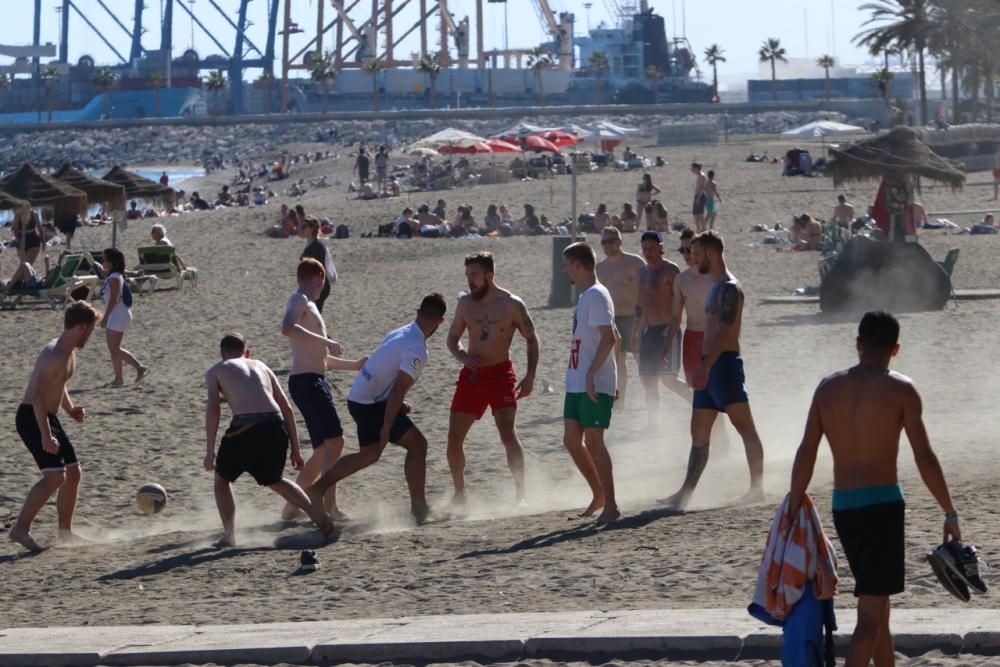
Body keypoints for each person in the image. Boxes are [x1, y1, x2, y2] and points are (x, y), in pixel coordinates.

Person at [788, 311, 962, 667]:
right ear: (895, 350)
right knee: (870, 612)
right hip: (882, 507)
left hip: (844, 508)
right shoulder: (901, 390)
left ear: (858, 344)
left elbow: (806, 451)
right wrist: (949, 511)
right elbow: (924, 457)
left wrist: (793, 506)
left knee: (876, 600)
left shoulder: (827, 389)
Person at [308, 294, 448, 525]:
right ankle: (420, 509)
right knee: (418, 445)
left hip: (358, 397)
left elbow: (383, 368)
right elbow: (399, 388)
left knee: (369, 454)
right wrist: (386, 426)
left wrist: (392, 407)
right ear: (440, 322)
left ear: (417, 312)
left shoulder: (401, 331)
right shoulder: (418, 349)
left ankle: (317, 489)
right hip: (369, 404)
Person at [660, 231, 764, 509]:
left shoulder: (730, 287)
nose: (691, 257)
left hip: (725, 364)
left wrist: (706, 365)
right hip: (709, 363)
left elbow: (726, 331)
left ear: (711, 254)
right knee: (699, 432)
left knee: (745, 428)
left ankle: (756, 489)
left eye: (695, 252)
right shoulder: (716, 286)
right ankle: (685, 493)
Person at [204, 333, 336, 548]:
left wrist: (210, 451)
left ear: (222, 354)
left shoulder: (217, 370)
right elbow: (287, 408)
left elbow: (213, 410)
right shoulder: (262, 366)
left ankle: (229, 536)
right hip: (275, 426)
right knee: (274, 479)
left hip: (245, 427)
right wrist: (295, 448)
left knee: (222, 480)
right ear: (247, 352)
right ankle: (317, 515)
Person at [446, 253, 539, 507]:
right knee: (454, 437)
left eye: (474, 275)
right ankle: (459, 494)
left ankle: (521, 495)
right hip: (473, 377)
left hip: (500, 375)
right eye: (467, 276)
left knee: (507, 434)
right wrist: (463, 356)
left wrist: (530, 376)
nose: (469, 281)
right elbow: (452, 339)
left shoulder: (511, 304)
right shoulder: (465, 303)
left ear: (489, 275)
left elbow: (531, 338)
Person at [9, 302, 101, 552]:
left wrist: (70, 409)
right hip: (31, 418)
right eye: (90, 330)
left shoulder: (69, 353)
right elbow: (38, 396)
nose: (91, 336)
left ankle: (65, 533)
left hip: (48, 417)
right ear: (81, 327)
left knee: (73, 473)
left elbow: (58, 386)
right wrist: (46, 435)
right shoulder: (54, 355)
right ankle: (20, 529)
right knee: (55, 477)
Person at [281, 258, 357, 521]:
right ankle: (329, 506)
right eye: (323, 280)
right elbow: (287, 328)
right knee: (336, 442)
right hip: (307, 381)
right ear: (318, 277)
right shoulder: (300, 300)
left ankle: (292, 506)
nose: (323, 285)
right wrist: (327, 340)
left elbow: (322, 359)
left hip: (311, 379)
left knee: (324, 449)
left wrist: (356, 365)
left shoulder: (310, 306)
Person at [561, 242, 621, 523]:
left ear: (578, 265)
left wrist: (595, 375)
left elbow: (609, 338)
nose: (564, 271)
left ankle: (611, 505)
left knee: (595, 443)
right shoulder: (587, 295)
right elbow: (615, 336)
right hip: (576, 380)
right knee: (572, 440)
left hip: (591, 381)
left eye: (567, 265)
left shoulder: (597, 295)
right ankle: (598, 495)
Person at [634, 230, 685, 427]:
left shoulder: (671, 270)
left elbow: (681, 301)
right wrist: (636, 332)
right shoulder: (642, 272)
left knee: (669, 380)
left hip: (667, 329)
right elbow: (639, 303)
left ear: (661, 248)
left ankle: (697, 404)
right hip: (648, 330)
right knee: (648, 380)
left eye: (652, 248)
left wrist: (674, 327)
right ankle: (652, 423)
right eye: (645, 248)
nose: (648, 252)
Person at [595, 226, 644, 409]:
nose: (607, 245)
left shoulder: (635, 263)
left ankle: (649, 397)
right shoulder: (600, 268)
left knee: (640, 359)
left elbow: (645, 291)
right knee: (618, 360)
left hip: (634, 317)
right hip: (613, 319)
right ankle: (620, 399)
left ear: (619, 242)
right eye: (604, 242)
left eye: (611, 241)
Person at [100, 248, 149, 386]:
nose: (102, 262)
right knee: (113, 349)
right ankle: (118, 379)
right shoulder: (115, 275)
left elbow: (114, 300)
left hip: (118, 315)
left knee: (115, 349)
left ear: (112, 263)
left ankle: (139, 368)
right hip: (118, 314)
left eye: (105, 260)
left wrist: (105, 318)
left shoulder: (115, 277)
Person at [299, 217, 337, 312]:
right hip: (313, 287)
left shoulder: (317, 246)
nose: (301, 229)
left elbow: (316, 269)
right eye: (301, 226)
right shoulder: (310, 245)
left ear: (312, 229)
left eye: (304, 226)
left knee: (312, 317)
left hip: (319, 287)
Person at [691, 162, 708, 232]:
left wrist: (698, 197)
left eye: (693, 168)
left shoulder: (702, 176)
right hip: (697, 195)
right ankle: (698, 228)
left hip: (700, 196)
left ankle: (703, 228)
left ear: (697, 168)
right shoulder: (698, 175)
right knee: (696, 213)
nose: (692, 170)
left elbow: (703, 188)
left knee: (700, 213)